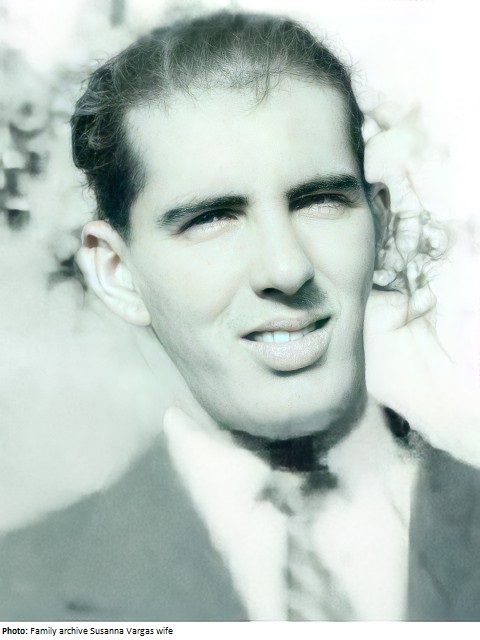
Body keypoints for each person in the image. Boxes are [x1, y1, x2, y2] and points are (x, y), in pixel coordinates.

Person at [0, 11, 479, 622]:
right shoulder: (19, 592)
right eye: (211, 219)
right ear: (117, 271)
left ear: (379, 223)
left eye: (319, 201)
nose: (285, 268)